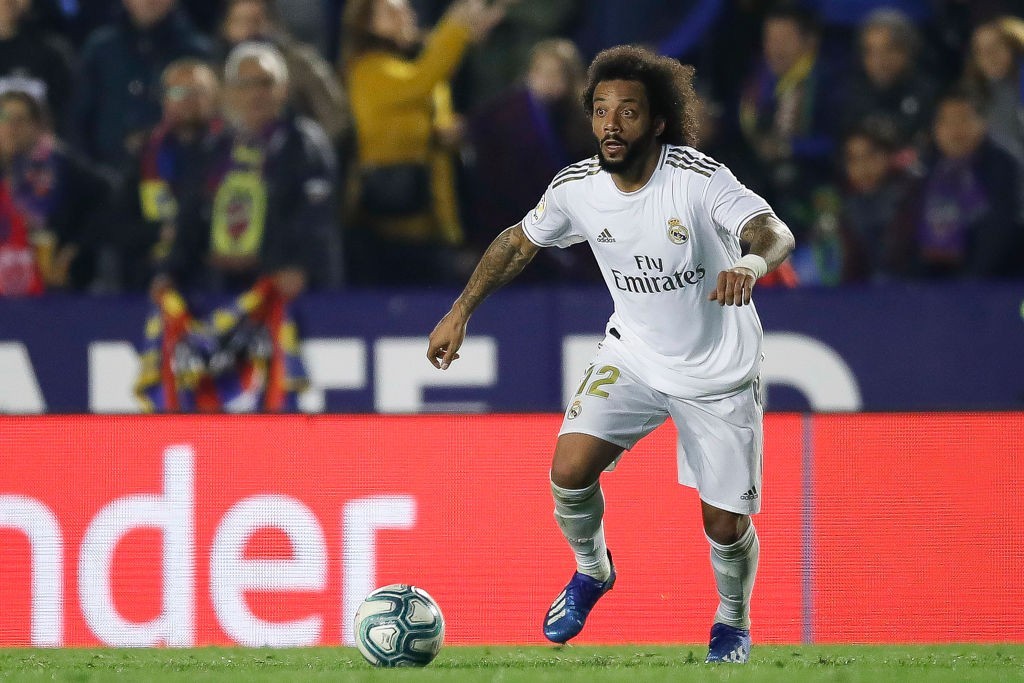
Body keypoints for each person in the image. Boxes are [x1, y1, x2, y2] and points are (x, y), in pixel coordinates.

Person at [426, 45, 795, 663]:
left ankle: (732, 621)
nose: (611, 124)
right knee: (568, 472)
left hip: (718, 373)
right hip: (633, 357)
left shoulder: (700, 180)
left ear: (656, 122)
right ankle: (592, 571)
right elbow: (518, 243)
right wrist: (459, 311)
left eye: (627, 111)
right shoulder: (578, 189)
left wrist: (751, 263)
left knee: (724, 528)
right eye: (601, 111)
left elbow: (772, 231)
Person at [340, 0, 507, 285]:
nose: (405, 15)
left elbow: (429, 96)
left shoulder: (410, 61)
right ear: (367, 24)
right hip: (388, 228)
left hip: (432, 216)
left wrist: (447, 132)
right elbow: (421, 81)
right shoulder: (367, 69)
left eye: (406, 9)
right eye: (392, 12)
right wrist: (456, 24)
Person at [157, 42, 341, 295]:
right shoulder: (214, 149)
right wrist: (170, 271)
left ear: (283, 90)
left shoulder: (305, 143)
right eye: (245, 84)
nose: (256, 93)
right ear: (229, 92)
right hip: (221, 286)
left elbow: (316, 215)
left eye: (265, 83)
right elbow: (190, 212)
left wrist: (297, 265)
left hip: (288, 289)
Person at [117, 58, 221, 291]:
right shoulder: (144, 154)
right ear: (164, 99)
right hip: (151, 279)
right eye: (178, 91)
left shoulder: (234, 152)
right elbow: (119, 224)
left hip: (217, 278)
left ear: (215, 98)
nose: (188, 99)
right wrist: (158, 232)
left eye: (198, 91)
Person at [0, 89, 111, 291]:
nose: (11, 127)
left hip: (52, 284)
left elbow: (107, 197)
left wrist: (73, 250)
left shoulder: (60, 164)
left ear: (37, 126)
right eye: (4, 118)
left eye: (20, 120)